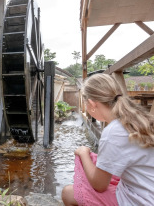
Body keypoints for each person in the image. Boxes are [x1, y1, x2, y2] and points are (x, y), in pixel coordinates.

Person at [62, 73, 154, 206]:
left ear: (92, 103)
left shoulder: (113, 132)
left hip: (139, 201)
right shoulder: (140, 119)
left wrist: (83, 153)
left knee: (68, 193)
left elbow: (99, 185)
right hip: (148, 191)